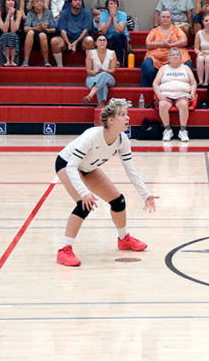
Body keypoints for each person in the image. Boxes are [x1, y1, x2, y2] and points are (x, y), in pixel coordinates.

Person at [54, 99, 158, 267]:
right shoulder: (92, 136)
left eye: (127, 114)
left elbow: (131, 170)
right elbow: (72, 166)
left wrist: (146, 194)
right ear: (111, 120)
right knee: (83, 204)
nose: (127, 118)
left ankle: (124, 239)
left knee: (118, 201)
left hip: (88, 168)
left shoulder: (122, 140)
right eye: (122, 115)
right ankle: (64, 249)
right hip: (67, 164)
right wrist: (84, 192)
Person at [153, 47, 197, 142]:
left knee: (183, 104)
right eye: (173, 55)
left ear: (181, 58)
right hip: (166, 94)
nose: (175, 56)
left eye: (178, 55)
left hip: (182, 95)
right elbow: (155, 84)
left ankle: (183, 130)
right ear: (168, 58)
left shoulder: (186, 68)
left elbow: (193, 83)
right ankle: (168, 130)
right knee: (162, 105)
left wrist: (192, 93)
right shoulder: (163, 68)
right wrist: (159, 95)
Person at [140, 10, 189, 87]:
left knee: (187, 64)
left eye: (168, 17)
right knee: (147, 65)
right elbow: (148, 44)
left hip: (175, 56)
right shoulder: (154, 31)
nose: (166, 19)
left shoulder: (177, 30)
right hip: (156, 59)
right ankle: (147, 93)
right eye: (163, 17)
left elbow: (184, 42)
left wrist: (170, 45)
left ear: (170, 19)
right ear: (159, 19)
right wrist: (161, 44)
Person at [52, 0, 95, 67]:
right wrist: (68, 43)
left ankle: (88, 66)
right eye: (75, 0)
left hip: (81, 41)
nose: (78, 2)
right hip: (66, 41)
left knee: (89, 40)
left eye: (79, 0)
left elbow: (86, 30)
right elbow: (62, 30)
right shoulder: (64, 13)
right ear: (70, 3)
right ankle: (60, 67)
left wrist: (76, 42)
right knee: (54, 41)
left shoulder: (87, 13)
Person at [83, 33, 117, 108]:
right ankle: (102, 105)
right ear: (96, 43)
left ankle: (90, 95)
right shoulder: (91, 53)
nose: (102, 42)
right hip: (93, 77)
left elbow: (113, 70)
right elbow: (88, 71)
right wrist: (96, 72)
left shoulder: (112, 53)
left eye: (104, 40)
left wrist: (104, 71)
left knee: (103, 75)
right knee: (102, 84)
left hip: (108, 77)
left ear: (106, 43)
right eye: (100, 40)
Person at [22, 0, 55, 66]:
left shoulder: (48, 13)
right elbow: (25, 28)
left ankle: (46, 61)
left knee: (42, 34)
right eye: (37, 1)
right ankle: (25, 61)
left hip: (46, 35)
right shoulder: (30, 13)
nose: (39, 3)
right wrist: (37, 28)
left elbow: (54, 29)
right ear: (32, 4)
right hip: (33, 38)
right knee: (30, 32)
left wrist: (46, 28)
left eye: (41, 1)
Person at [0, 0, 24, 66]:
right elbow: (4, 29)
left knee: (12, 35)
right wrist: (8, 15)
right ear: (4, 3)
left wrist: (12, 16)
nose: (11, 2)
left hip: (15, 37)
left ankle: (13, 61)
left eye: (12, 0)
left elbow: (14, 29)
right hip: (1, 37)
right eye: (8, 0)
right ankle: (6, 61)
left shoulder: (18, 13)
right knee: (6, 35)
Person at [98, 0, 129, 65]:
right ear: (107, 7)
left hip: (121, 37)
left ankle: (117, 60)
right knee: (101, 37)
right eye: (111, 4)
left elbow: (119, 31)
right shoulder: (103, 14)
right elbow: (104, 31)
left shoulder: (123, 14)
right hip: (108, 36)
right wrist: (110, 17)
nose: (113, 6)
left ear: (117, 6)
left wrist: (114, 17)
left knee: (116, 35)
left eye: (115, 4)